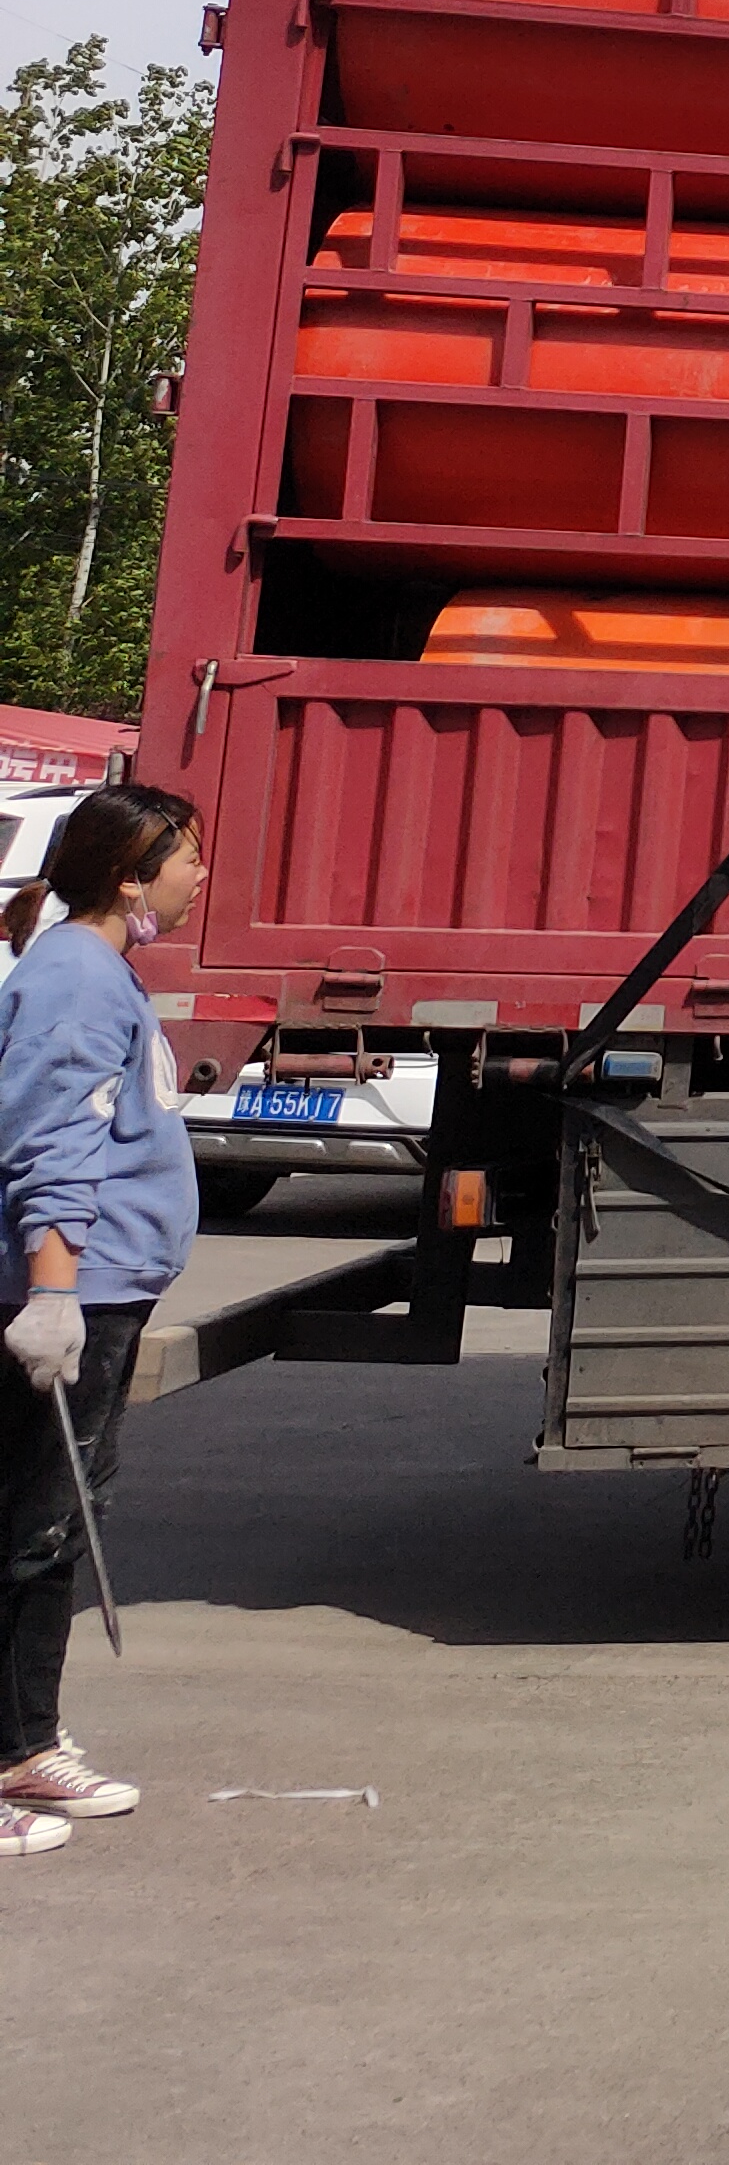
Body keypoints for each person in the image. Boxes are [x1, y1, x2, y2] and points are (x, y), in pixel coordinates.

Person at [1, 784, 209, 1855]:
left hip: (102, 1292)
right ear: (132, 876)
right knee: (24, 1528)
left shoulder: (96, 966)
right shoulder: (77, 976)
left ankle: (23, 1744)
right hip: (70, 1294)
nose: (199, 875)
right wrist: (51, 1291)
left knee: (47, 1530)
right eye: (187, 856)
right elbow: (51, 1140)